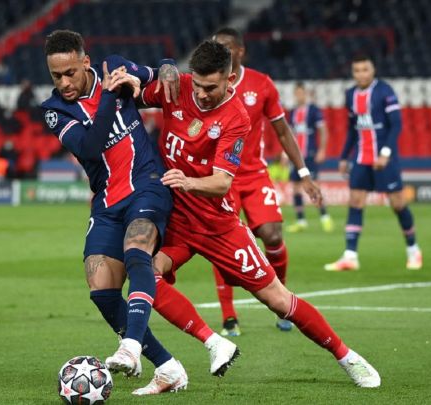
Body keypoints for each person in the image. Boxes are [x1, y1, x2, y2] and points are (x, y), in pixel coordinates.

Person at [139, 39, 381, 389]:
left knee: (278, 300)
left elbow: (222, 183)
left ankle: (347, 356)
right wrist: (158, 68)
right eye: (199, 85)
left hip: (218, 226)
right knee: (146, 275)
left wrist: (187, 182)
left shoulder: (236, 116)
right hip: (177, 221)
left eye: (211, 88)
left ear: (229, 80)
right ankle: (210, 342)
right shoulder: (179, 87)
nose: (202, 94)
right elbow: (129, 95)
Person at [40, 29, 212, 397]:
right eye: (56, 76)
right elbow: (90, 146)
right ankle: (168, 367)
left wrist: (167, 66)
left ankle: (131, 346)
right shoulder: (55, 111)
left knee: (137, 252)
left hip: (147, 184)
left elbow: (158, 74)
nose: (64, 82)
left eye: (70, 72)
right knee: (101, 288)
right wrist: (109, 94)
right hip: (107, 201)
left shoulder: (115, 67)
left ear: (86, 62)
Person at [210, 27, 321, 335]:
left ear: (240, 51)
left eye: (226, 47)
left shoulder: (261, 84)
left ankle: (282, 301)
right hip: (221, 177)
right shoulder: (207, 84)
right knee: (222, 241)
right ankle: (229, 316)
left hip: (254, 174)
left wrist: (304, 173)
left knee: (272, 235)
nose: (221, 53)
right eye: (216, 47)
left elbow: (283, 131)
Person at [325, 55, 423, 271]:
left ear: (373, 70)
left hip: (385, 158)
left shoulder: (385, 91)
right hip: (361, 157)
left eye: (365, 69)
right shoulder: (350, 94)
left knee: (398, 204)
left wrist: (386, 153)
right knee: (356, 201)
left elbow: (396, 125)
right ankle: (350, 256)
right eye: (357, 70)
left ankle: (413, 250)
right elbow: (353, 129)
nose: (361, 74)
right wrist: (344, 157)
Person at [287, 82, 334, 233]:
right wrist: (284, 153)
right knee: (295, 187)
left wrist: (322, 150)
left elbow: (323, 130)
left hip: (310, 155)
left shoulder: (314, 110)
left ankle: (325, 217)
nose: (299, 96)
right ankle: (301, 221)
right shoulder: (292, 112)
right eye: (297, 93)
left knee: (313, 185)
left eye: (301, 93)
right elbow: (289, 134)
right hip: (296, 157)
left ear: (305, 94)